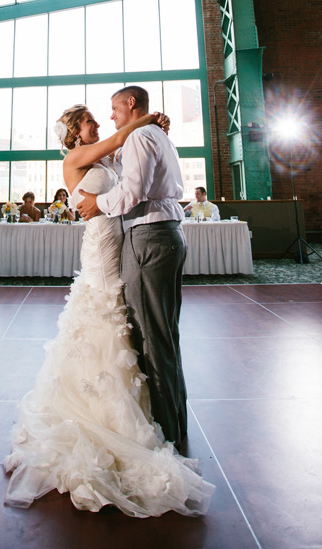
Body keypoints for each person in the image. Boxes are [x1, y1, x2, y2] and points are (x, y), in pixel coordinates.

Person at [3, 103, 214, 518]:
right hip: (102, 251)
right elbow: (121, 138)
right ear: (73, 132)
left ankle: (137, 412)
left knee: (128, 326)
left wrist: (155, 127)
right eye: (88, 121)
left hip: (125, 244)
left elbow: (132, 158)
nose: (97, 123)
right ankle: (102, 418)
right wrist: (148, 119)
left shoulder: (106, 157)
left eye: (98, 119)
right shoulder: (75, 159)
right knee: (103, 324)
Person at [77, 85, 188, 449]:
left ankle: (166, 433)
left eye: (113, 108)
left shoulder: (142, 135)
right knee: (165, 331)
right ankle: (176, 419)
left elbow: (132, 193)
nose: (110, 117)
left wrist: (97, 203)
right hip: (167, 233)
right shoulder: (156, 134)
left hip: (149, 237)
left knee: (151, 337)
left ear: (130, 104)